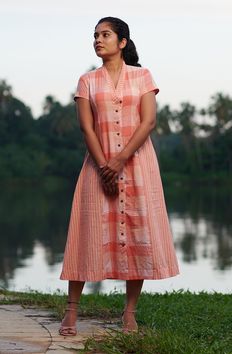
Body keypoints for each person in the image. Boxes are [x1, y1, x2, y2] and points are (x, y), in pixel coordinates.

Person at [59, 16, 180, 336]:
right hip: (95, 167)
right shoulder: (87, 80)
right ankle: (71, 311)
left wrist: (120, 161)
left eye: (106, 34)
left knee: (138, 234)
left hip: (138, 166)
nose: (98, 40)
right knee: (86, 235)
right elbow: (87, 127)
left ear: (122, 42)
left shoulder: (143, 76)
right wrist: (104, 166)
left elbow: (149, 122)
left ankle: (129, 313)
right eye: (95, 35)